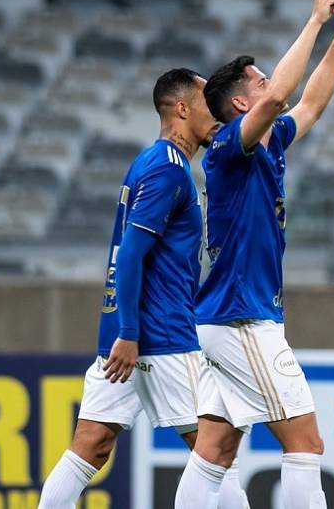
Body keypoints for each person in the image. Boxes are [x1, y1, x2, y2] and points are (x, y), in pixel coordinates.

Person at [174, 0, 334, 509]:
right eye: (258, 83)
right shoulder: (226, 152)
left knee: (215, 449)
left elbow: (308, 105)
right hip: (242, 319)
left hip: (229, 317)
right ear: (241, 105)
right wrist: (314, 19)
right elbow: (285, 93)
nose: (270, 86)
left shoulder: (268, 142)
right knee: (305, 441)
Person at [39, 68, 249, 508]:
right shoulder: (167, 170)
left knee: (91, 445)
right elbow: (130, 253)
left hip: (130, 335)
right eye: (207, 102)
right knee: (214, 451)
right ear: (182, 108)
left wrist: (124, 330)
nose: (218, 111)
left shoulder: (151, 163)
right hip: (161, 335)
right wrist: (130, 332)